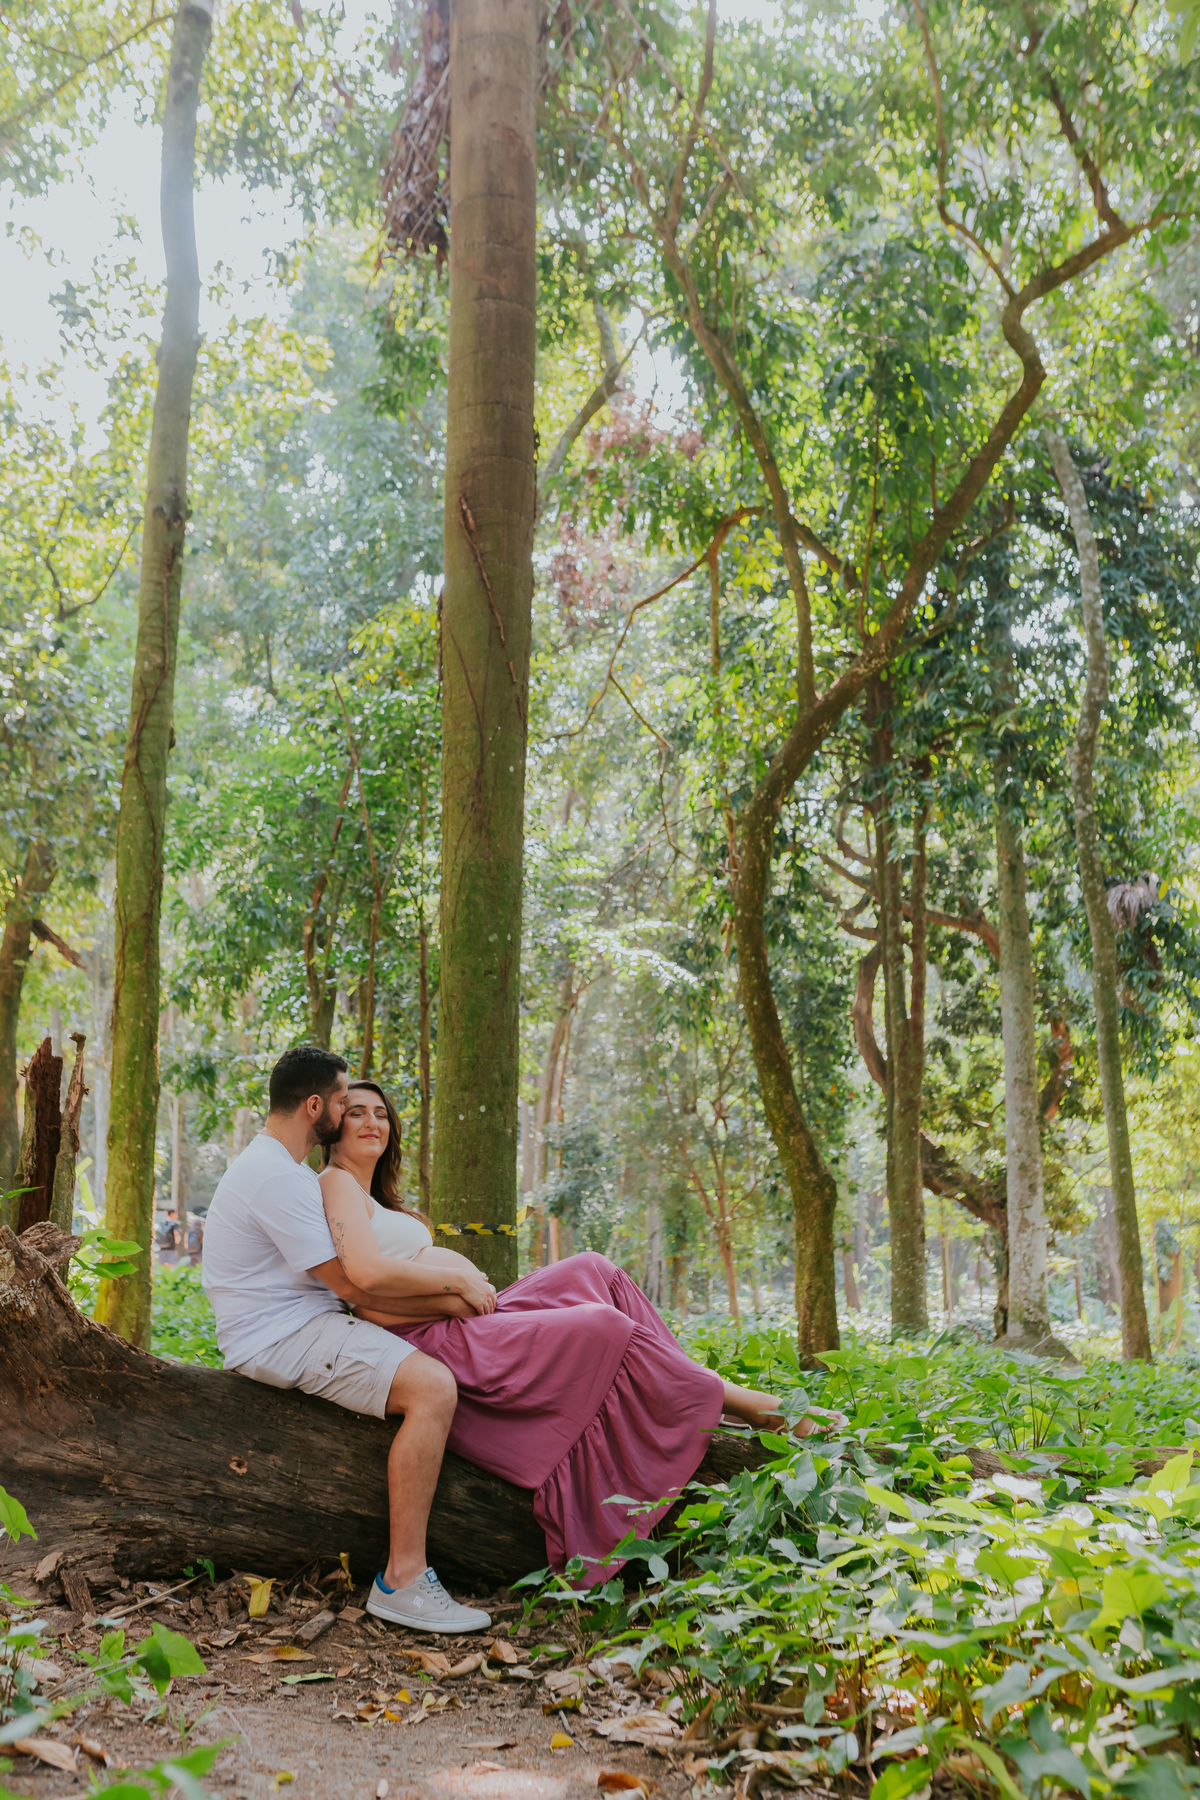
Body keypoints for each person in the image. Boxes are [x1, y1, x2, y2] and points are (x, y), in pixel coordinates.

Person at [320, 1079, 836, 1588]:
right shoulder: (335, 1183)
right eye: (358, 1113)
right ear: (333, 1127)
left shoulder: (375, 1200)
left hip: (469, 1314)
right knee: (601, 1326)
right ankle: (739, 1402)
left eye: (382, 1114)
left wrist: (462, 1292)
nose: (373, 1122)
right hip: (439, 1340)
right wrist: (455, 1286)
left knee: (593, 1269)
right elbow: (365, 1296)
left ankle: (688, 1386)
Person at [201, 1046, 499, 1635]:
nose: (352, 1109)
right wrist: (455, 1287)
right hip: (281, 1335)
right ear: (316, 1107)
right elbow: (356, 1283)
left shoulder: (281, 1169)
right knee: (433, 1388)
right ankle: (403, 1580)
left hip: (296, 1322)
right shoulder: (275, 1178)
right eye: (343, 1101)